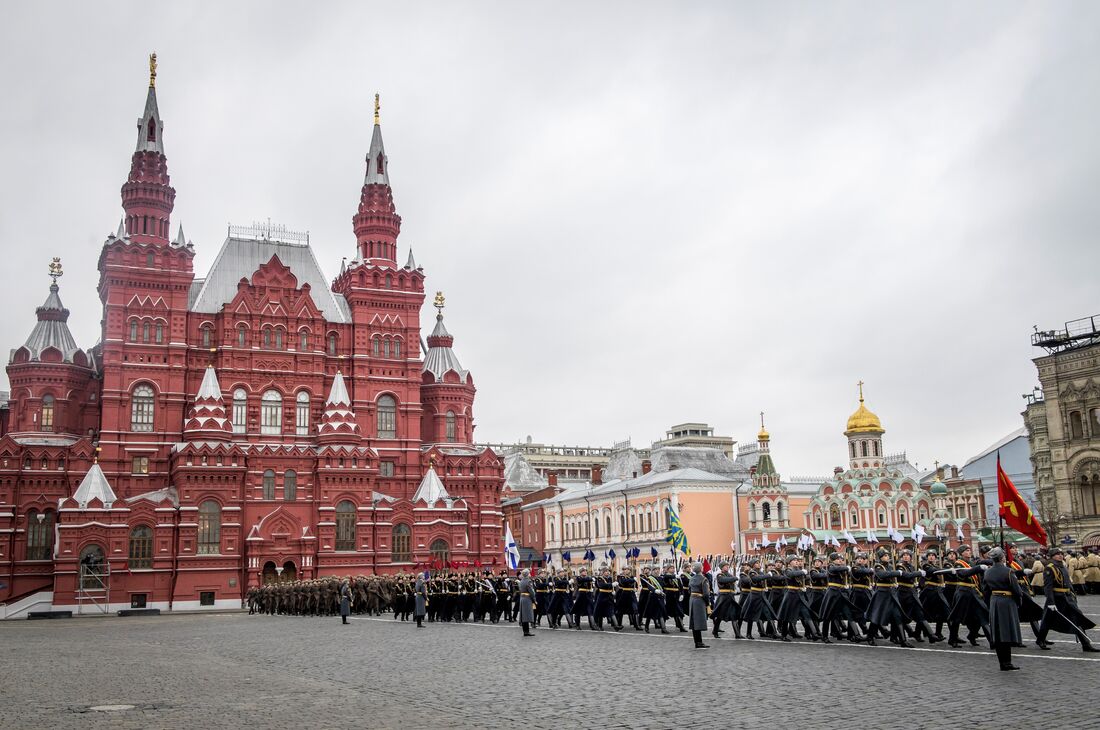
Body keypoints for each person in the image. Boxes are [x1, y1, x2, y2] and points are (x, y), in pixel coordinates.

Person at [1034, 546, 1100, 652]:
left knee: (1076, 619)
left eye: (1061, 554)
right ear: (1052, 556)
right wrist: (1050, 602)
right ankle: (1040, 640)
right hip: (1056, 599)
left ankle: (1086, 645)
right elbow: (1048, 587)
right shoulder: (1049, 568)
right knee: (1047, 620)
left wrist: (1072, 595)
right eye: (1057, 554)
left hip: (1067, 598)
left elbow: (1068, 583)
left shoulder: (1063, 566)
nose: (1060, 555)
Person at [982, 547, 1022, 670]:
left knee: (998, 633)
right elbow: (1017, 590)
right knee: (1007, 632)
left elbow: (985, 590)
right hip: (1007, 602)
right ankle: (1007, 662)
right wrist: (1018, 602)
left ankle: (1002, 663)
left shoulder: (987, 572)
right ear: (1002, 558)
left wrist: (990, 604)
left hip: (994, 601)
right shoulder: (1009, 571)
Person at [711, 561, 740, 639]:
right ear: (721, 567)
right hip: (723, 598)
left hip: (730, 597)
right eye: (725, 566)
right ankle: (715, 631)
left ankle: (737, 634)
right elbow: (725, 580)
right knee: (720, 616)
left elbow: (733, 578)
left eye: (727, 565)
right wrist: (733, 578)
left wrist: (734, 577)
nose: (727, 567)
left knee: (734, 616)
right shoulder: (719, 575)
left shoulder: (729, 574)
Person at [687, 562, 711, 648]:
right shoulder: (704, 579)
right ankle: (699, 642)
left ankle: (697, 642)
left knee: (694, 622)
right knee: (698, 622)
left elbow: (689, 590)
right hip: (699, 601)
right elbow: (706, 594)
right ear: (701, 569)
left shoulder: (691, 578)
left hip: (692, 600)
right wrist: (707, 603)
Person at [517, 568, 537, 637]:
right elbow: (531, 592)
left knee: (523, 616)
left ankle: (525, 631)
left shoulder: (521, 581)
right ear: (527, 574)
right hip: (527, 599)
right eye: (529, 573)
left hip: (522, 598)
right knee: (527, 616)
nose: (530, 574)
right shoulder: (528, 581)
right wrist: (534, 599)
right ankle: (527, 631)